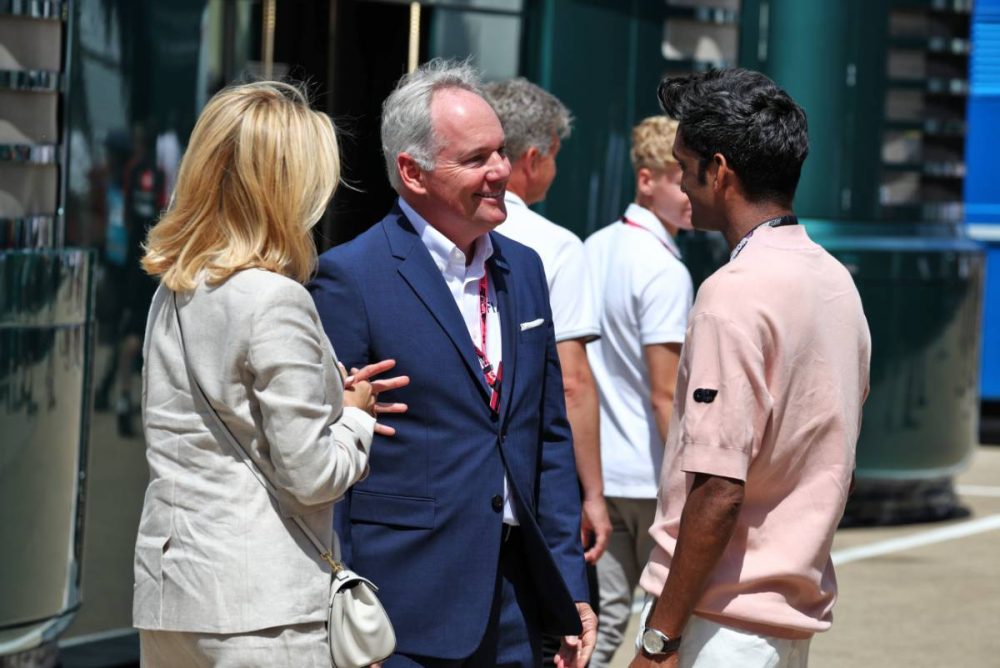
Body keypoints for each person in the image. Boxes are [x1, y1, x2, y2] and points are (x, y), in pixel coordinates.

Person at [310, 59, 596, 668]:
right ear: (413, 172)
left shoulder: (525, 269)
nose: (501, 171)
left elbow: (547, 438)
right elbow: (329, 459)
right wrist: (341, 604)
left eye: (501, 151)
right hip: (403, 610)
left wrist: (569, 590)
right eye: (476, 158)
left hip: (519, 604)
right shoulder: (351, 277)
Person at [133, 81, 407, 666]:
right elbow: (314, 475)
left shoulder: (174, 290)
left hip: (172, 594)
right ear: (287, 187)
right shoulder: (275, 299)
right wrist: (355, 417)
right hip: (262, 607)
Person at [630, 69, 871, 668]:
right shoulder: (835, 282)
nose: (682, 184)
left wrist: (660, 640)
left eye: (685, 168)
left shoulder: (733, 292)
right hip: (783, 625)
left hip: (714, 624)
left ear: (719, 171)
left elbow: (718, 488)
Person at [484, 78, 611, 575]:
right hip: (531, 481)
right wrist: (592, 493)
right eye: (556, 155)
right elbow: (572, 383)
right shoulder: (558, 246)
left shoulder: (446, 229)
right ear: (534, 159)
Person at [585, 116, 694, 667]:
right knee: (665, 629)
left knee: (600, 627)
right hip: (651, 477)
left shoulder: (592, 247)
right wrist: (692, 479)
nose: (692, 192)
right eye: (680, 178)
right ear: (646, 180)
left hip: (597, 474)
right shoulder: (664, 270)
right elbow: (665, 395)